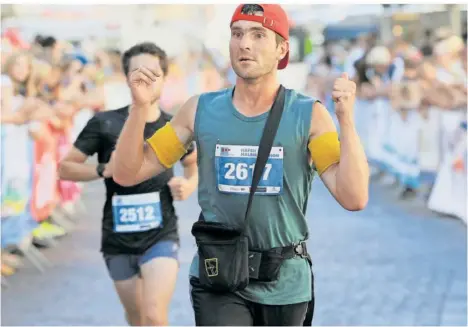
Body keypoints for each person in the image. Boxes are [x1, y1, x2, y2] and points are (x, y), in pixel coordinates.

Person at [113, 4, 369, 326]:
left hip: (285, 282)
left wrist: (346, 121)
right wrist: (139, 109)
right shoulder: (200, 111)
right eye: (237, 34)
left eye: (258, 34)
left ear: (282, 49)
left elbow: (353, 197)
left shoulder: (309, 116)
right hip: (218, 275)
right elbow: (128, 173)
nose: (244, 43)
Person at [58, 42, 198, 326]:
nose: (145, 80)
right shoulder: (105, 123)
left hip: (161, 235)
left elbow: (191, 163)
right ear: (126, 78)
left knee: (153, 314)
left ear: (164, 77)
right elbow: (65, 168)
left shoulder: (174, 127)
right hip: (117, 238)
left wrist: (189, 184)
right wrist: (102, 169)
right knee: (136, 316)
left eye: (153, 73)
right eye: (138, 73)